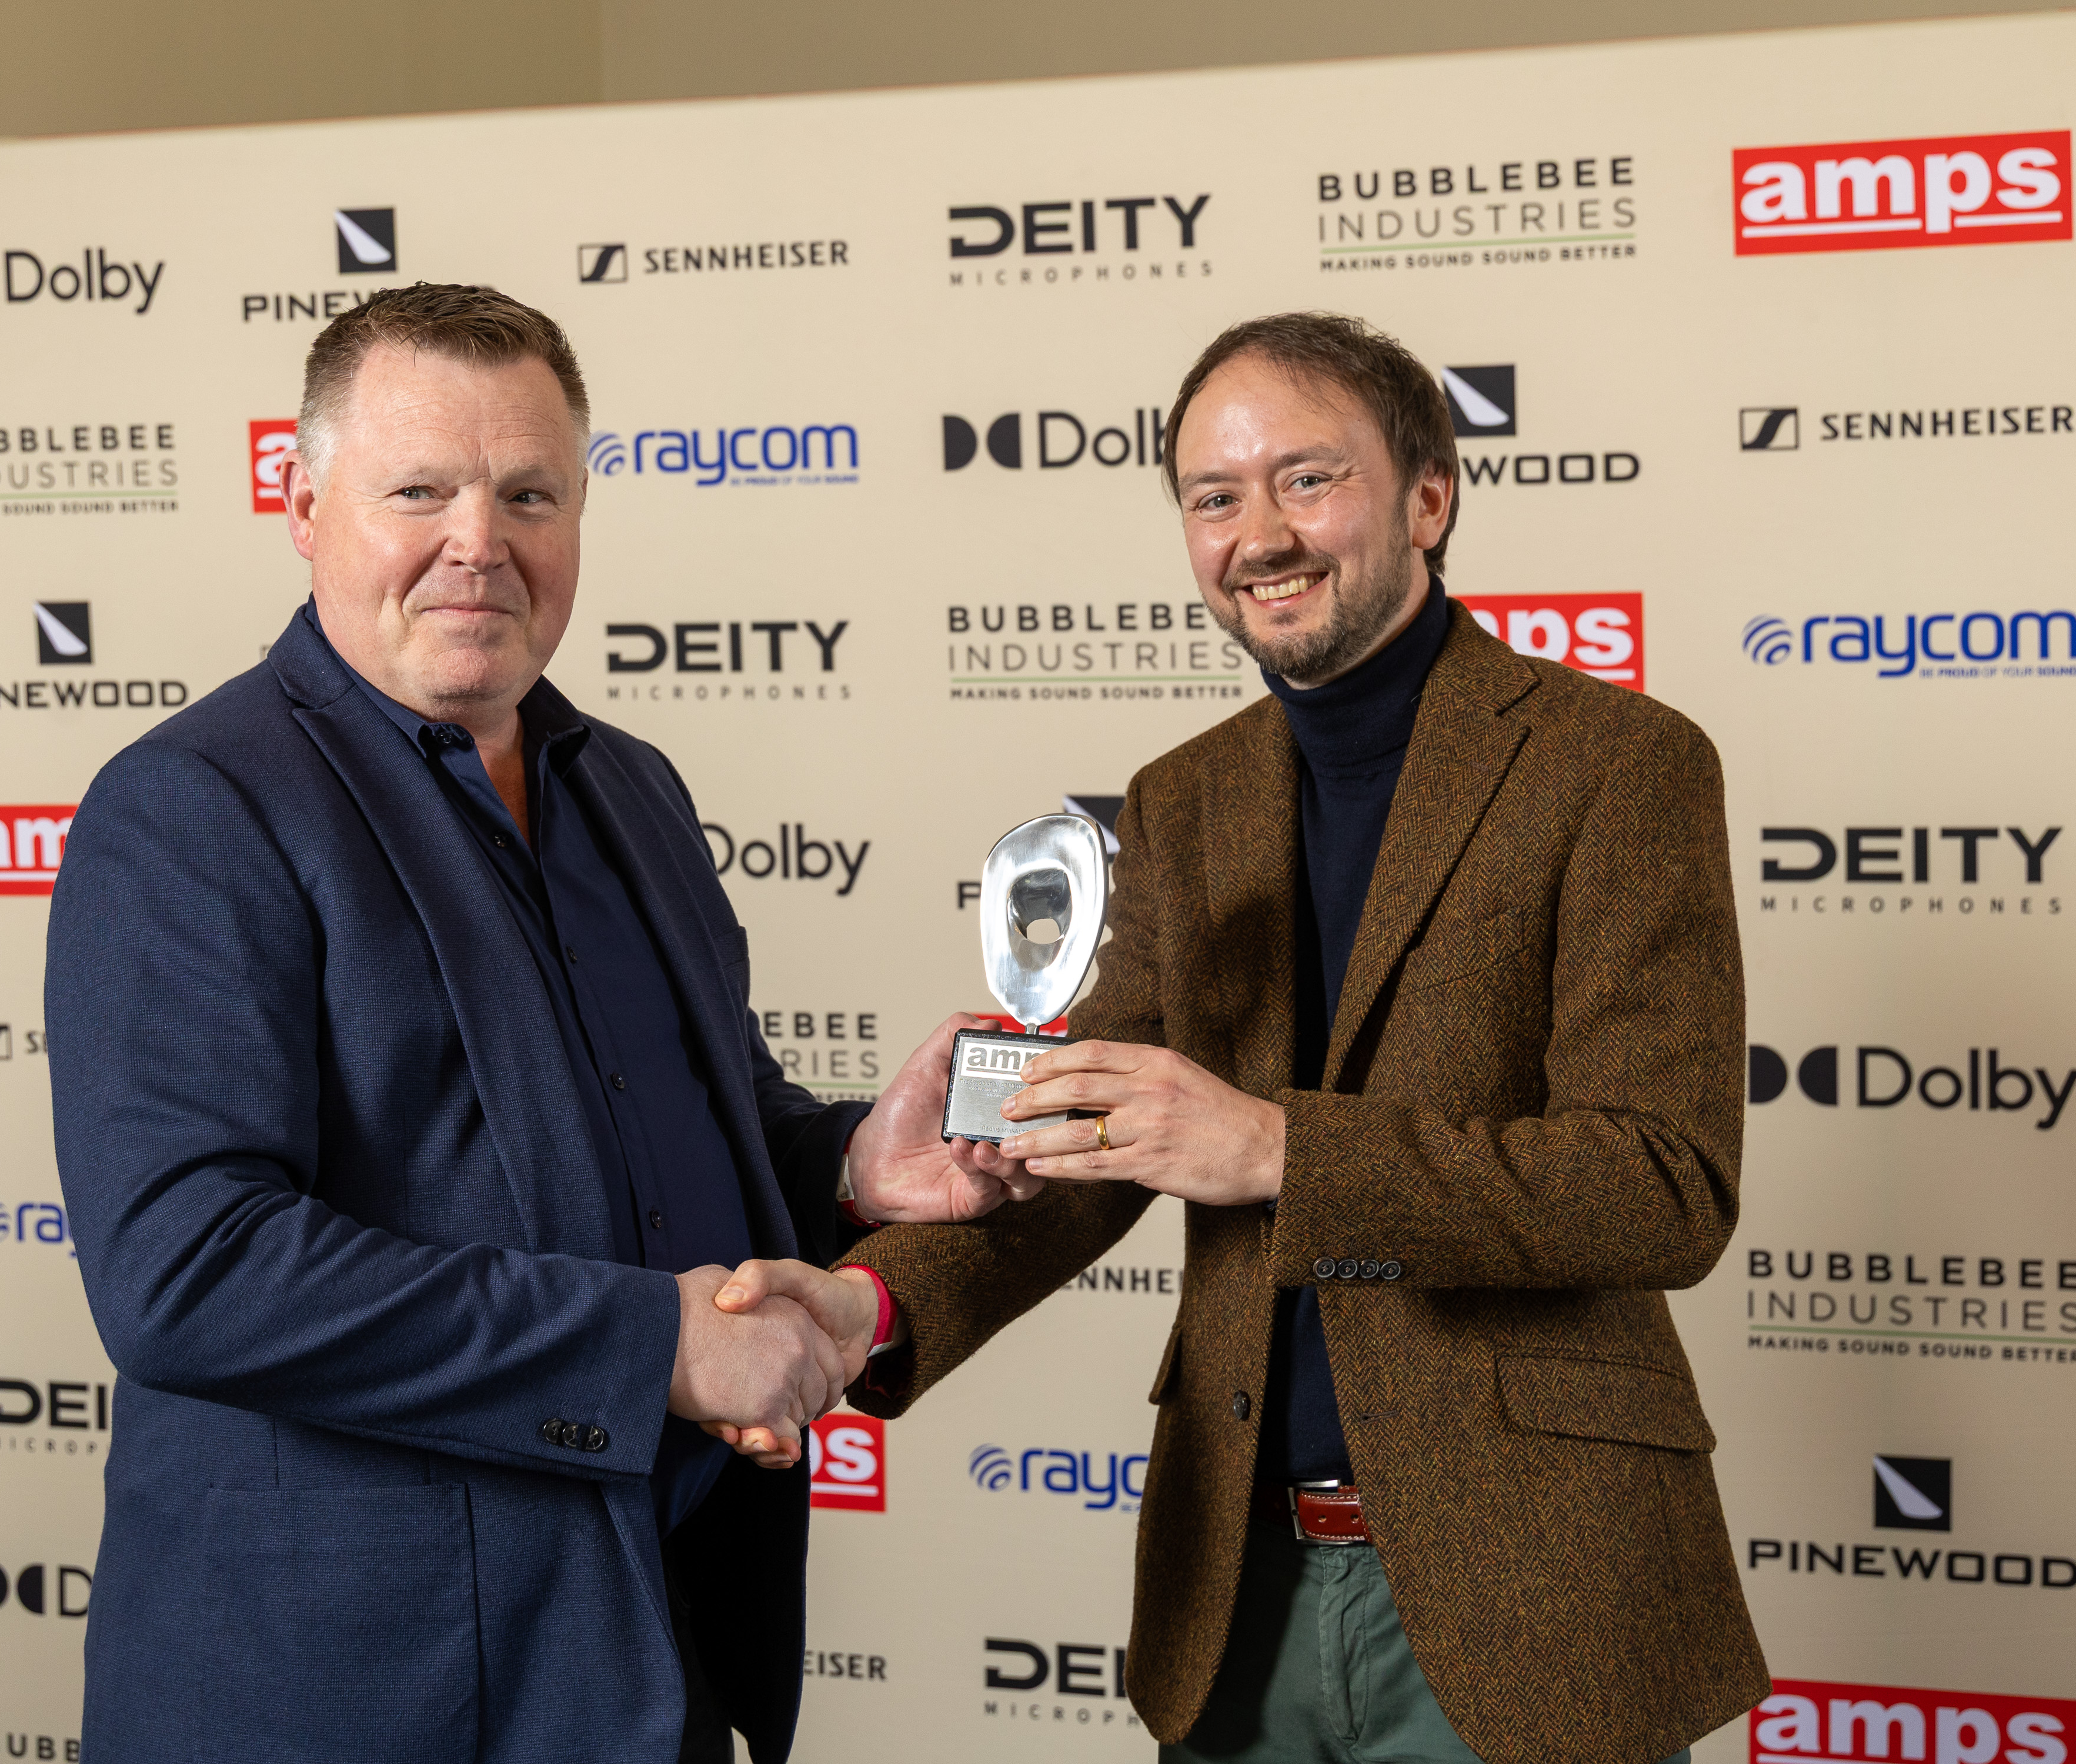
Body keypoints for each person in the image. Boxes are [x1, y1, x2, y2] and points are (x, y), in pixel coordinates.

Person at [725, 312, 1773, 1762]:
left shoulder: (1620, 766)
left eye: (1307, 479)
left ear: (1428, 496)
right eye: (1214, 497)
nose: (1259, 536)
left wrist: (1280, 1150)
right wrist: (870, 1308)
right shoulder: (1183, 799)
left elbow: (1663, 1185)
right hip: (1235, 1590)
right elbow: (1089, 1146)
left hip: (1532, 1595)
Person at [44, 283, 991, 1764]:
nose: (479, 542)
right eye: (419, 490)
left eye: (529, 494)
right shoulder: (193, 807)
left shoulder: (631, 789)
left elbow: (669, 1137)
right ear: (301, 505)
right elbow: (188, 1269)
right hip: (360, 1696)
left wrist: (848, 1167)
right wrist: (650, 1350)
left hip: (649, 1647)